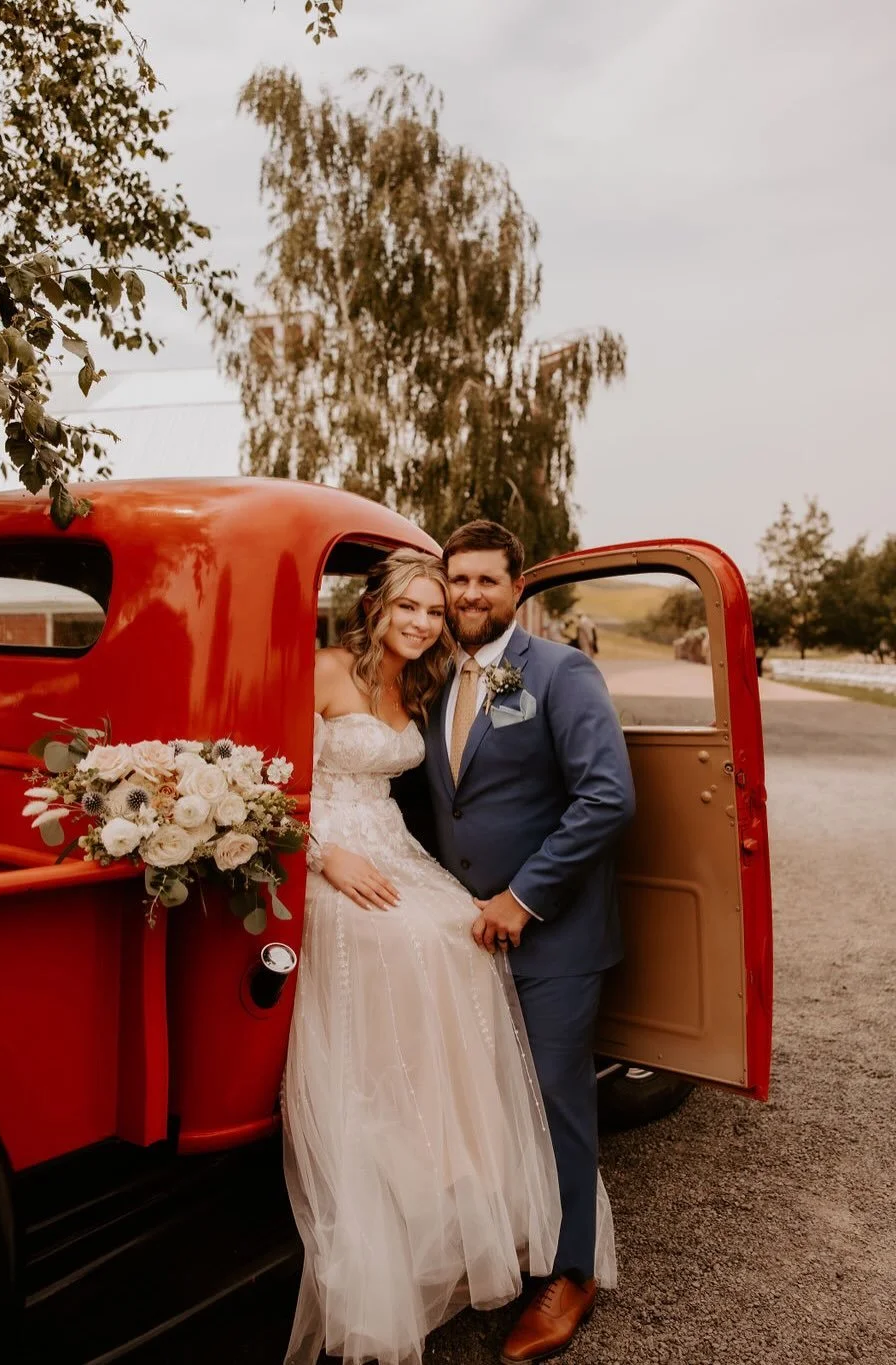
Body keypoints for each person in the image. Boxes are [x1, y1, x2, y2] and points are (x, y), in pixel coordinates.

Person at [283, 548, 568, 1365]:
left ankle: (461, 1170)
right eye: (406, 606)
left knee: (464, 933)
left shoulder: (420, 682)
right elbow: (275, 778)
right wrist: (323, 854)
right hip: (332, 857)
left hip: (395, 849)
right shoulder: (327, 669)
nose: (421, 622)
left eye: (435, 611)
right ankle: (399, 1160)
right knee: (405, 937)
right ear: (374, 605)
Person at [420, 520, 635, 1363]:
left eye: (486, 580)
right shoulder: (434, 677)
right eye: (457, 580)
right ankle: (507, 1238)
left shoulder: (558, 670)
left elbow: (605, 798)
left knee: (556, 1103)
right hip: (460, 935)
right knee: (484, 1098)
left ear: (517, 587)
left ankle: (572, 1271)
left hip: (554, 936)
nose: (470, 595)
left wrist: (524, 896)